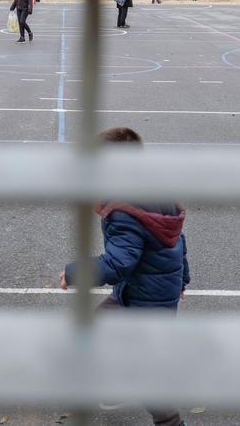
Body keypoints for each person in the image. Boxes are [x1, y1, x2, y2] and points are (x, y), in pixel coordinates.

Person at [59, 127, 189, 426]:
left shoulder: (126, 211)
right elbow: (177, 240)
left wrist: (73, 273)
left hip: (145, 300)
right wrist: (183, 279)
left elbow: (118, 263)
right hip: (146, 291)